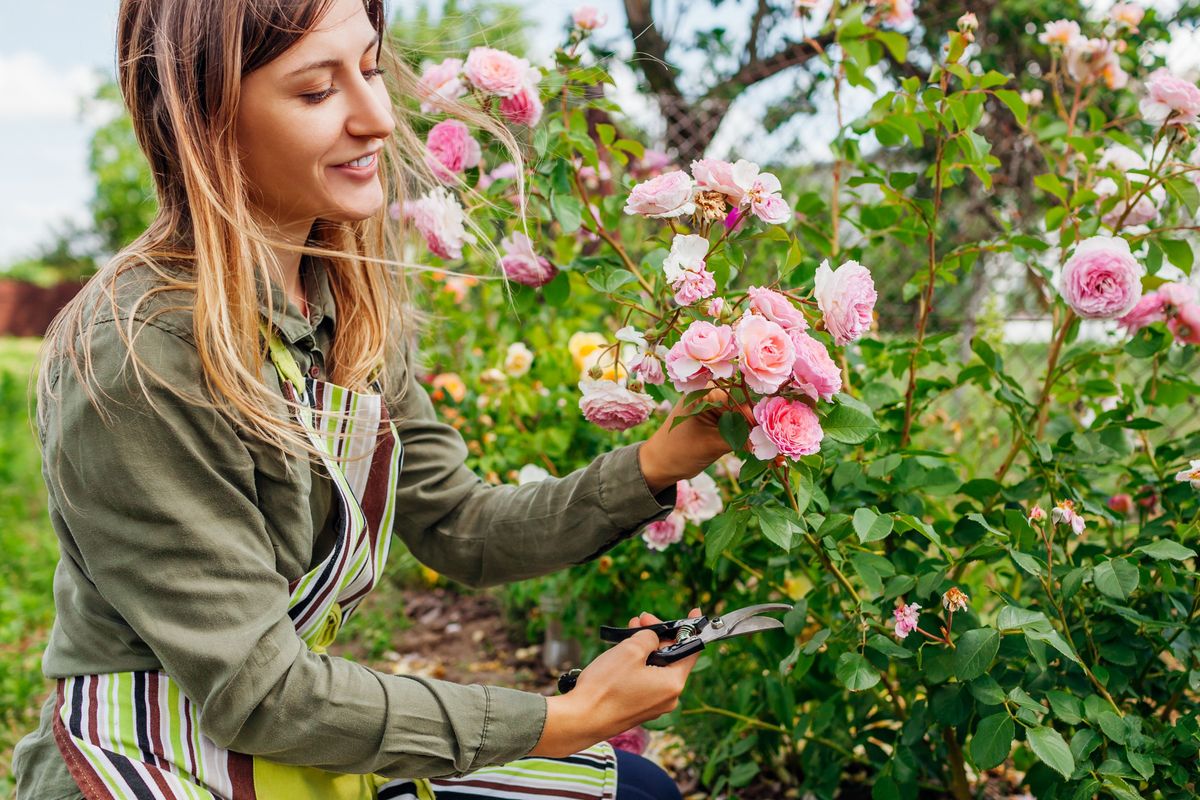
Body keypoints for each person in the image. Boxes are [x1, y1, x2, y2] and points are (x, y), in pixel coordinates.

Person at [11, 0, 736, 798]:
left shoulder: (341, 305)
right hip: (153, 760)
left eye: (369, 68)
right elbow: (258, 690)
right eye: (319, 92)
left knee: (633, 790)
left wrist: (661, 459)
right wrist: (563, 717)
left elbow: (458, 525)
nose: (380, 118)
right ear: (206, 120)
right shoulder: (139, 352)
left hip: (284, 745)